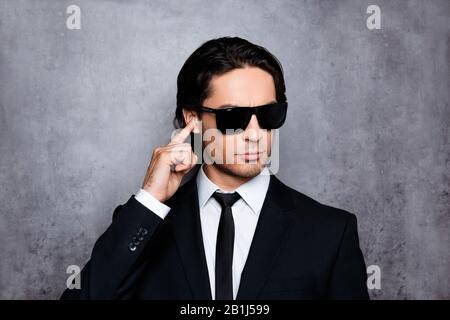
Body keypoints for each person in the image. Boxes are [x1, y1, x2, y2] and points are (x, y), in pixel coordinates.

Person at [61, 37, 369, 300]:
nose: (254, 132)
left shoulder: (330, 232)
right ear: (193, 119)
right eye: (233, 117)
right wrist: (151, 200)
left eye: (269, 114)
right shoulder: (146, 224)